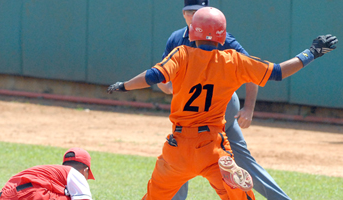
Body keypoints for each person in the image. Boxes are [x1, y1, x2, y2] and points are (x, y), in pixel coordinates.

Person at [107, 6, 337, 200]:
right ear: (221, 35)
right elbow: (278, 72)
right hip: (213, 148)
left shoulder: (181, 54)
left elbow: (152, 76)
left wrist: (123, 85)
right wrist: (312, 52)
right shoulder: (234, 61)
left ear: (193, 32)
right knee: (240, 194)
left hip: (177, 147)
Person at [160, 1, 291, 199]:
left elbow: (252, 70)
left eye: (198, 11)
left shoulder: (222, 38)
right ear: (183, 14)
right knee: (192, 152)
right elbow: (161, 77)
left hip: (222, 107)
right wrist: (171, 88)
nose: (194, 15)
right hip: (193, 111)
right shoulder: (177, 38)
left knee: (184, 149)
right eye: (190, 12)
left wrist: (248, 108)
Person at [0, 147, 95, 200]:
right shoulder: (76, 174)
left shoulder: (53, 172)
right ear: (85, 171)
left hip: (5, 196)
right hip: (30, 194)